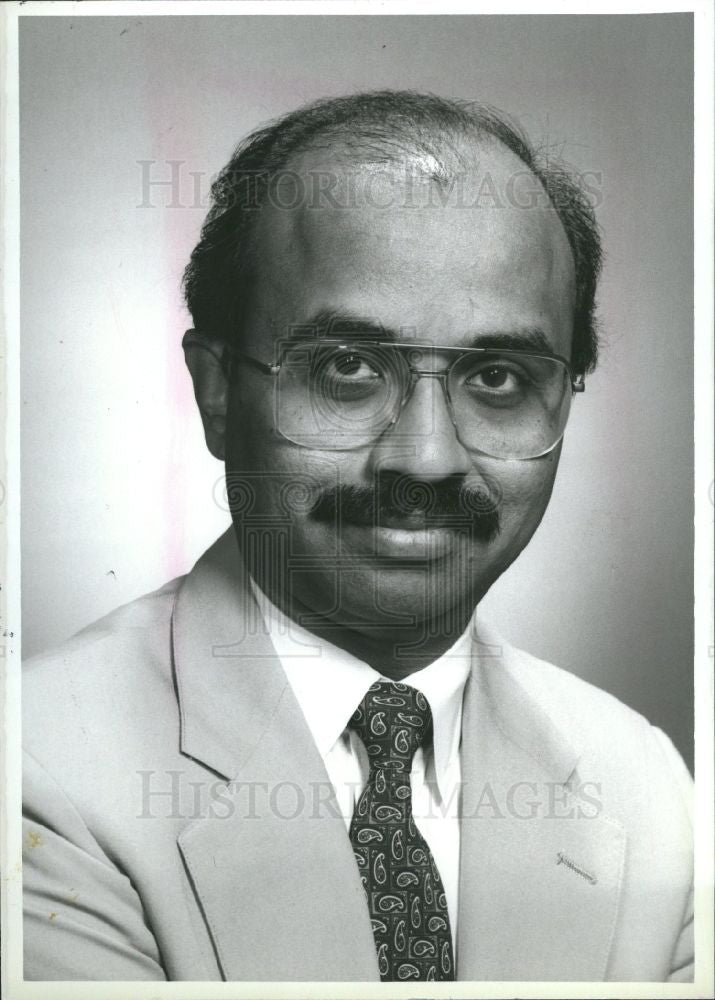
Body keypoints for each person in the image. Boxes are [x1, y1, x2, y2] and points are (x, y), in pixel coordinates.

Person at [22, 91, 693, 983]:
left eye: (495, 376)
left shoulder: (646, 789)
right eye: (347, 368)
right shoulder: (35, 772)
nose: (424, 461)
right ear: (218, 391)